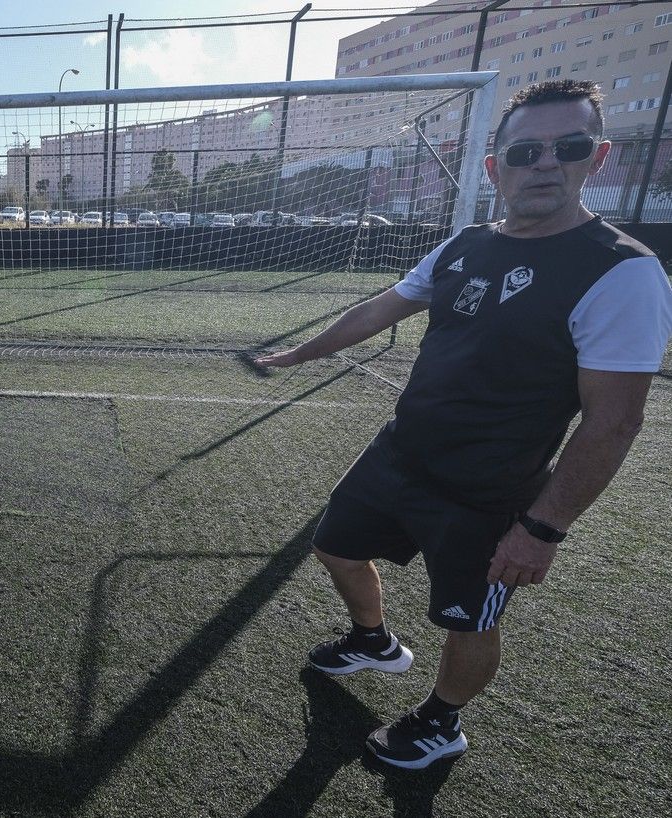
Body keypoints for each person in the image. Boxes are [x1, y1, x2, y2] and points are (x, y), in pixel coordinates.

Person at [255, 79, 672, 770]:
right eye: (525, 150)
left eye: (566, 147)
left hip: (490, 490)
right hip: (400, 455)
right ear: (494, 166)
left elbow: (615, 421)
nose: (544, 163)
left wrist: (541, 529)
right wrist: (302, 351)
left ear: (594, 159)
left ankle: (441, 721)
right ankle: (373, 642)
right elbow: (381, 308)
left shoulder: (623, 272)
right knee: (334, 548)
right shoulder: (467, 243)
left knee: (468, 620)